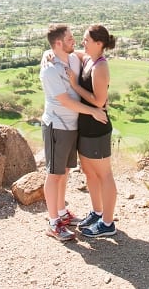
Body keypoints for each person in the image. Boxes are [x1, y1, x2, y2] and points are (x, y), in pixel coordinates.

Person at [40, 23, 108, 242]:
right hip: (56, 126)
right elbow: (65, 101)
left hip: (72, 127)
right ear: (59, 43)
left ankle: (61, 213)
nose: (75, 41)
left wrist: (48, 52)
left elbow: (84, 53)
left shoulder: (71, 58)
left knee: (65, 171)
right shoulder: (50, 69)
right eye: (70, 38)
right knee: (54, 174)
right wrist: (93, 111)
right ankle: (53, 223)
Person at [67, 24, 118, 237]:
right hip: (85, 126)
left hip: (97, 127)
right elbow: (69, 52)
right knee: (89, 172)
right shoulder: (88, 58)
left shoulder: (100, 67)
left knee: (104, 174)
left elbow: (99, 101)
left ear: (99, 44)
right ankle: (97, 212)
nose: (82, 43)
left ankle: (108, 223)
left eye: (86, 40)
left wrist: (75, 86)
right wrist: (51, 55)